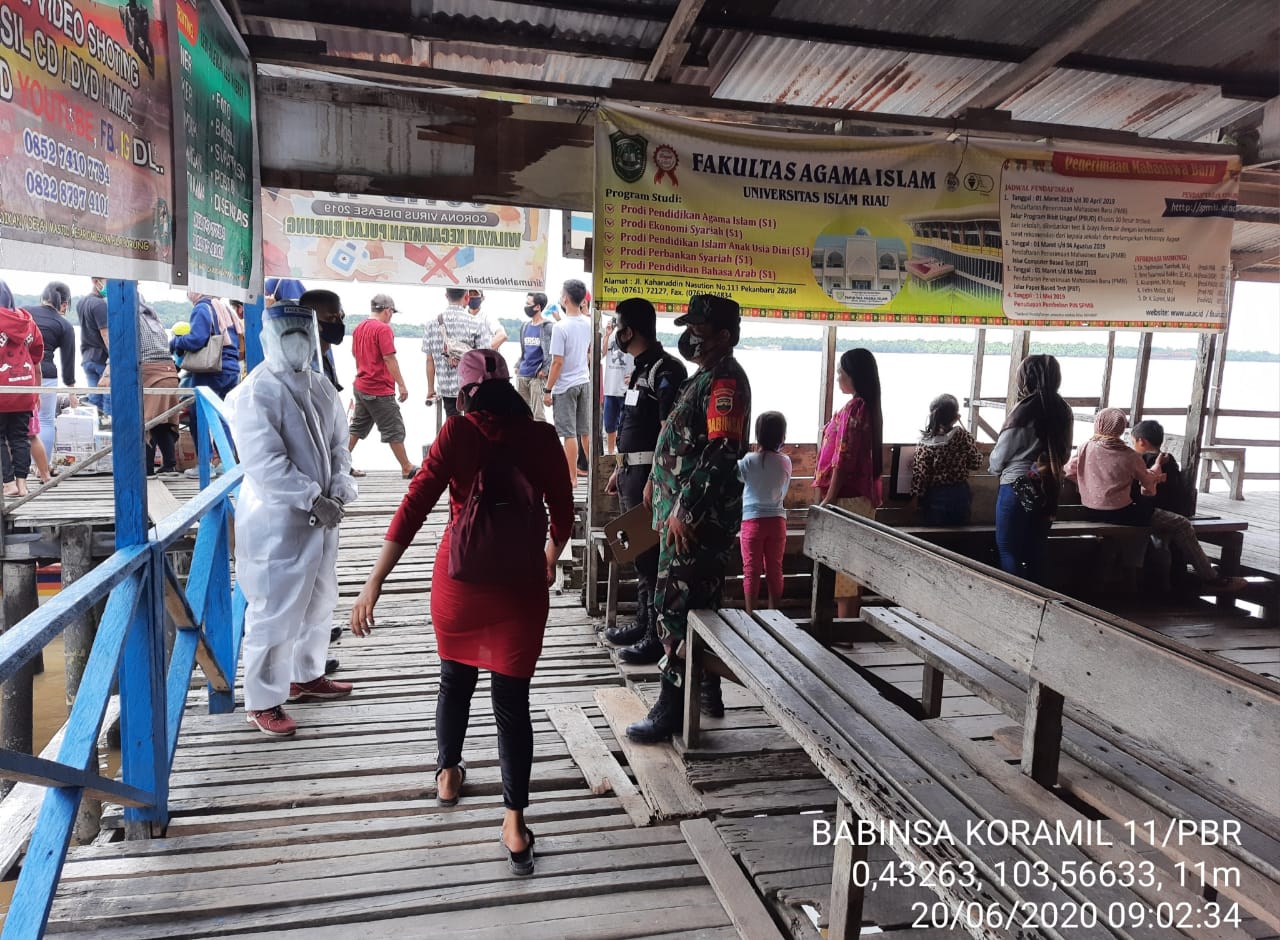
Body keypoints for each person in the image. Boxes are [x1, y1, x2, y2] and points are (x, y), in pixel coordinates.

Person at [349, 349, 573, 876]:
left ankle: (448, 774)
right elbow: (563, 510)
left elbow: (416, 503)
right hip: (519, 588)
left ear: (464, 392)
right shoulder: (542, 438)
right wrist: (549, 557)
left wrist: (374, 581)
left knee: (454, 682)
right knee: (511, 705)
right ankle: (514, 825)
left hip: (458, 587)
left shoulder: (457, 433)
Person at [228, 304, 358, 737]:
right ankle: (263, 700)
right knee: (273, 607)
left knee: (319, 599)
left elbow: (340, 444)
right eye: (287, 334)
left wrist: (338, 489)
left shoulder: (321, 386)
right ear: (270, 338)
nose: (297, 342)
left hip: (323, 517)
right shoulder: (255, 393)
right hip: (276, 520)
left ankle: (306, 674)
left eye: (303, 333)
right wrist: (310, 497)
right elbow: (264, 462)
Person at [626, 294, 751, 744]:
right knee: (697, 608)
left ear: (724, 335)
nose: (691, 335)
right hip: (680, 516)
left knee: (677, 610)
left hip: (696, 524)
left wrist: (685, 506)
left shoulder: (726, 384)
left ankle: (670, 710)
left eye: (700, 329)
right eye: (690, 327)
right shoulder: (705, 377)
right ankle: (707, 693)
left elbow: (723, 451)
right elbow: (681, 443)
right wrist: (654, 483)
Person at [1064, 409, 1246, 593]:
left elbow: (1069, 472)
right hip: (1121, 514)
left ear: (1099, 424)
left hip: (1091, 511)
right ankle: (1210, 578)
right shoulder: (1130, 455)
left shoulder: (1085, 447)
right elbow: (1148, 488)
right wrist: (1156, 469)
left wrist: (1089, 486)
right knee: (1181, 524)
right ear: (1120, 428)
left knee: (1122, 540)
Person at [602, 298, 688, 662]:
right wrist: (620, 470)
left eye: (618, 326)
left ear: (630, 330)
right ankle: (642, 623)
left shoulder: (667, 370)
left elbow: (669, 431)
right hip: (631, 474)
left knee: (652, 556)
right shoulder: (640, 369)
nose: (615, 333)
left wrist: (654, 479)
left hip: (652, 479)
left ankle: (656, 636)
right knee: (638, 551)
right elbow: (634, 427)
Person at [988, 354, 1074, 584]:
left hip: (1017, 484)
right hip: (1050, 485)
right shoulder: (1063, 409)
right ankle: (1039, 600)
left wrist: (994, 468)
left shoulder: (1025, 409)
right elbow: (1065, 452)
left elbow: (1002, 453)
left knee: (1008, 548)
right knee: (1036, 548)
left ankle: (1015, 600)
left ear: (1026, 378)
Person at [813, 348, 883, 619]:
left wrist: (828, 498)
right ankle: (848, 622)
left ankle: (843, 627)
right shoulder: (866, 405)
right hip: (857, 498)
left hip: (847, 498)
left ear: (854, 376)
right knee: (852, 565)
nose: (839, 376)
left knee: (845, 564)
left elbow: (844, 457)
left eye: (842, 372)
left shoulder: (857, 407)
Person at [171, 292, 241, 477]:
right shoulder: (225, 308)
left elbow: (196, 340)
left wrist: (177, 341)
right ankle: (227, 462)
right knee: (221, 416)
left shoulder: (203, 307)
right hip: (232, 369)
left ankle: (204, 465)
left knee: (198, 416)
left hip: (211, 369)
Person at [348, 294, 416, 479]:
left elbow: (355, 353)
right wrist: (401, 384)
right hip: (378, 389)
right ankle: (407, 467)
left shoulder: (359, 328)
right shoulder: (383, 329)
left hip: (361, 385)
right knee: (394, 427)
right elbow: (389, 357)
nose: (391, 316)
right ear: (387, 310)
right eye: (392, 312)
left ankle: (339, 465)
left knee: (357, 428)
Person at [739, 411, 791, 614]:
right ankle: (774, 614)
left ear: (757, 434)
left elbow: (735, 479)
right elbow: (784, 489)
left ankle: (751, 614)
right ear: (782, 436)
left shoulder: (748, 461)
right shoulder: (785, 461)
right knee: (775, 570)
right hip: (777, 521)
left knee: (751, 570)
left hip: (752, 521)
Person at [543, 279, 593, 487]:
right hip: (584, 381)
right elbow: (590, 353)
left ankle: (572, 478)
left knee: (568, 434)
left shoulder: (560, 327)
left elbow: (557, 362)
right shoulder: (589, 323)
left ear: (565, 298)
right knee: (585, 431)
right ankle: (592, 471)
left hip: (565, 386)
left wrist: (547, 389)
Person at [911, 393, 983, 524]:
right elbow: (976, 463)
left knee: (935, 538)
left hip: (934, 496)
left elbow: (920, 476)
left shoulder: (924, 442)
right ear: (956, 417)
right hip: (959, 495)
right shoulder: (962, 436)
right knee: (958, 539)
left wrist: (915, 500)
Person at [26, 282, 77, 461]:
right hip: (46, 373)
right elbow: (68, 362)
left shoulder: (23, 312)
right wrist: (72, 393)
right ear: (64, 304)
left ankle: (14, 472)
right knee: (46, 421)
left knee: (14, 422)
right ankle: (41, 468)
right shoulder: (64, 325)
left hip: (17, 374)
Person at [0, 303, 43, 497]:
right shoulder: (28, 322)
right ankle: (22, 484)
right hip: (25, 386)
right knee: (20, 437)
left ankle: (8, 484)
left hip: (2, 388)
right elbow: (37, 353)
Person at [425, 287, 489, 419]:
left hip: (446, 389)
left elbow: (429, 360)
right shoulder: (477, 322)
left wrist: (431, 389)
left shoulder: (432, 324)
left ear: (446, 296)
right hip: (472, 388)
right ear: (467, 297)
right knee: (475, 425)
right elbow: (485, 358)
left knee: (454, 425)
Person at [1131, 419, 1189, 516]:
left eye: (1133, 443)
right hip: (1170, 508)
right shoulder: (1169, 459)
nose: (1133, 447)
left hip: (1149, 509)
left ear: (1141, 441)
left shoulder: (1141, 460)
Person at [299, 289, 347, 392]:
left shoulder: (323, 357)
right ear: (311, 320)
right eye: (332, 318)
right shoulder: (308, 364)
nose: (340, 323)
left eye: (341, 317)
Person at [515, 292, 553, 420]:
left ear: (537, 307)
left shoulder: (547, 327)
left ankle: (541, 439)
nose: (526, 306)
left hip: (537, 377)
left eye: (528, 303)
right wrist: (518, 365)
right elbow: (523, 351)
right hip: (522, 375)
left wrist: (545, 370)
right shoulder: (525, 326)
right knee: (522, 414)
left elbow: (552, 352)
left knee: (538, 415)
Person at [77, 277, 111, 420]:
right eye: (107, 281)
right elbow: (106, 334)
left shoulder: (81, 302)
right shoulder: (99, 305)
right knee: (109, 401)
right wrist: (112, 361)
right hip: (101, 359)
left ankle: (95, 431)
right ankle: (109, 431)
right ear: (95, 281)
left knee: (94, 401)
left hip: (87, 357)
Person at [601, 316, 633, 455]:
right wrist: (607, 335)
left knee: (625, 423)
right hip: (610, 387)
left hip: (626, 389)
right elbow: (601, 354)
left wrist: (634, 375)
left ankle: (622, 452)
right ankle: (610, 452)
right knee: (609, 424)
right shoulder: (611, 336)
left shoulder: (632, 335)